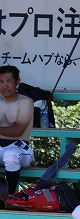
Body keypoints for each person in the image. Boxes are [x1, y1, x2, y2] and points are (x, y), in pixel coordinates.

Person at [0, 65, 35, 207]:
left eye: (9, 81)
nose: (5, 86)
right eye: (1, 82)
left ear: (17, 82)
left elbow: (17, 131)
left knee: (11, 155)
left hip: (20, 149)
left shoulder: (26, 101)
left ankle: (12, 196)